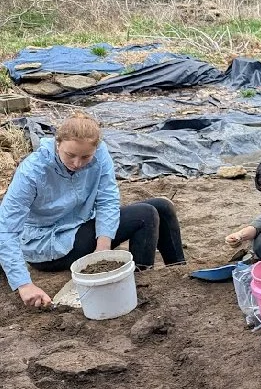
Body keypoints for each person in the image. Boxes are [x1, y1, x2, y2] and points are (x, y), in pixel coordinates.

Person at [0, 113, 185, 308]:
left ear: (95, 149)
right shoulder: (32, 172)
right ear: (57, 144)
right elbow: (6, 229)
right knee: (145, 215)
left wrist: (102, 247)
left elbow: (108, 199)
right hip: (49, 243)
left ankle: (180, 273)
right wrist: (24, 285)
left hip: (83, 225)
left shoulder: (101, 154)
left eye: (86, 157)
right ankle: (138, 285)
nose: (77, 163)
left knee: (162, 207)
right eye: (70, 155)